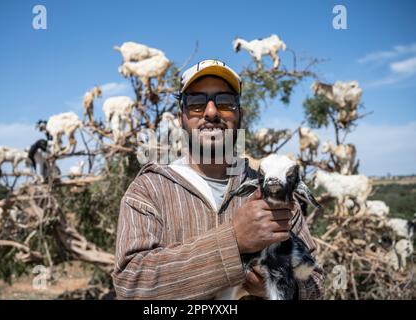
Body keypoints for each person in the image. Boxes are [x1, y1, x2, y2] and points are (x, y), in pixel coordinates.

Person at [112, 59, 324, 299]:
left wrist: (281, 286)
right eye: (196, 103)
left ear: (239, 116)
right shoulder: (149, 190)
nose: (211, 112)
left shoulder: (275, 189)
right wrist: (234, 241)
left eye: (224, 102)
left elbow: (315, 281)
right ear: (181, 117)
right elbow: (130, 284)